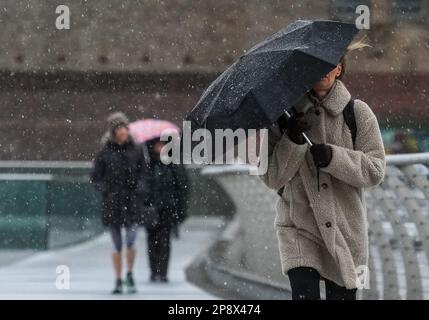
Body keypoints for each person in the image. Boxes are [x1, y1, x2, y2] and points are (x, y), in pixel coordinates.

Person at [260, 42, 386, 300]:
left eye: (331, 64)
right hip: (298, 227)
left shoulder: (357, 113)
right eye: (316, 66)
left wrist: (334, 158)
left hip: (345, 230)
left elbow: (375, 169)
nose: (324, 71)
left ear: (339, 69)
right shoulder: (282, 117)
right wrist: (292, 140)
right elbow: (272, 177)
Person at [91, 113, 148, 294]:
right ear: (114, 131)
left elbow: (143, 173)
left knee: (131, 240)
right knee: (116, 244)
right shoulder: (104, 152)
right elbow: (95, 176)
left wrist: (139, 188)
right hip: (113, 202)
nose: (123, 131)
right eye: (119, 128)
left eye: (125, 127)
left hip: (132, 201)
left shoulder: (137, 150)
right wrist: (106, 189)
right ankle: (118, 278)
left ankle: (129, 274)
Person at [144, 138, 189, 282]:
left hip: (167, 209)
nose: (160, 147)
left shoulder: (173, 164)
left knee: (164, 241)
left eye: (162, 144)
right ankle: (153, 271)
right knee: (152, 241)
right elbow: (142, 187)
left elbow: (182, 187)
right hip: (151, 209)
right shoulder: (148, 165)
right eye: (157, 144)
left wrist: (180, 209)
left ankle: (163, 272)